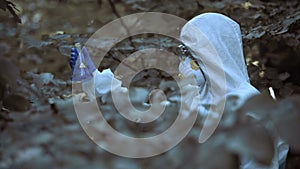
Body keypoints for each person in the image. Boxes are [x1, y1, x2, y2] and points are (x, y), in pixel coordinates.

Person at [70, 12, 288, 169]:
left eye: (187, 53)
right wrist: (95, 80)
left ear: (212, 58)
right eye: (181, 52)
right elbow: (146, 117)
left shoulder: (249, 104)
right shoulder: (195, 99)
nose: (181, 63)